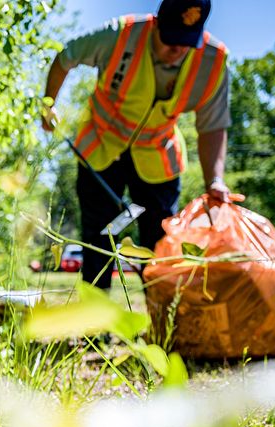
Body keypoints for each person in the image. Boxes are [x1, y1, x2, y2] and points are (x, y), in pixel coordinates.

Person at [41, 0, 231, 289]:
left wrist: (214, 180)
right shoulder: (119, 35)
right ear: (156, 23)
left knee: (160, 240)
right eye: (170, 39)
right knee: (99, 236)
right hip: (101, 147)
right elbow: (66, 57)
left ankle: (161, 319)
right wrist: (49, 105)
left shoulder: (213, 62)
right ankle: (96, 319)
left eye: (185, 42)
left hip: (158, 156)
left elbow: (213, 126)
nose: (176, 50)